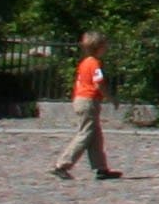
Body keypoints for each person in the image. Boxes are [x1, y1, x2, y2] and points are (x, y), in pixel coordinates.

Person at [49, 31, 123, 180]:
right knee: (85, 133)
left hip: (81, 99)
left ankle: (101, 168)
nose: (106, 48)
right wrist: (111, 98)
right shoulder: (94, 63)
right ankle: (62, 165)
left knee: (95, 136)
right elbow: (98, 83)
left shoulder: (84, 62)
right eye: (104, 46)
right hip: (89, 101)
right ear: (99, 47)